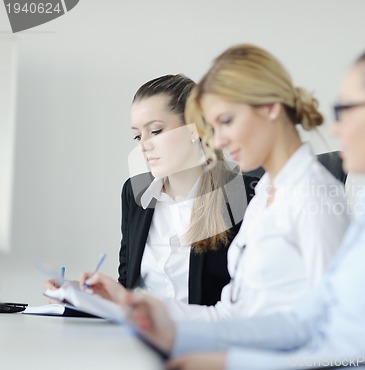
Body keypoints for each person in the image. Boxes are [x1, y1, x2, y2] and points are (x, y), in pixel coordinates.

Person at [126, 39, 365, 370]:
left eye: (345, 110)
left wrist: (232, 363)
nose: (334, 129)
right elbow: (305, 320)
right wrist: (176, 332)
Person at [86, 44, 350, 321]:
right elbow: (232, 314)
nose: (219, 139)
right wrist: (125, 301)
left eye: (226, 121)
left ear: (271, 109)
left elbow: (329, 322)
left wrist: (221, 359)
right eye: (138, 136)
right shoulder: (264, 194)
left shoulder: (310, 196)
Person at [47, 74, 256, 307]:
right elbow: (128, 285)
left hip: (203, 337)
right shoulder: (135, 193)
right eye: (137, 135)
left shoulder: (242, 195)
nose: (143, 145)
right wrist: (85, 295)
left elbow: (250, 300)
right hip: (137, 336)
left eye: (155, 131)